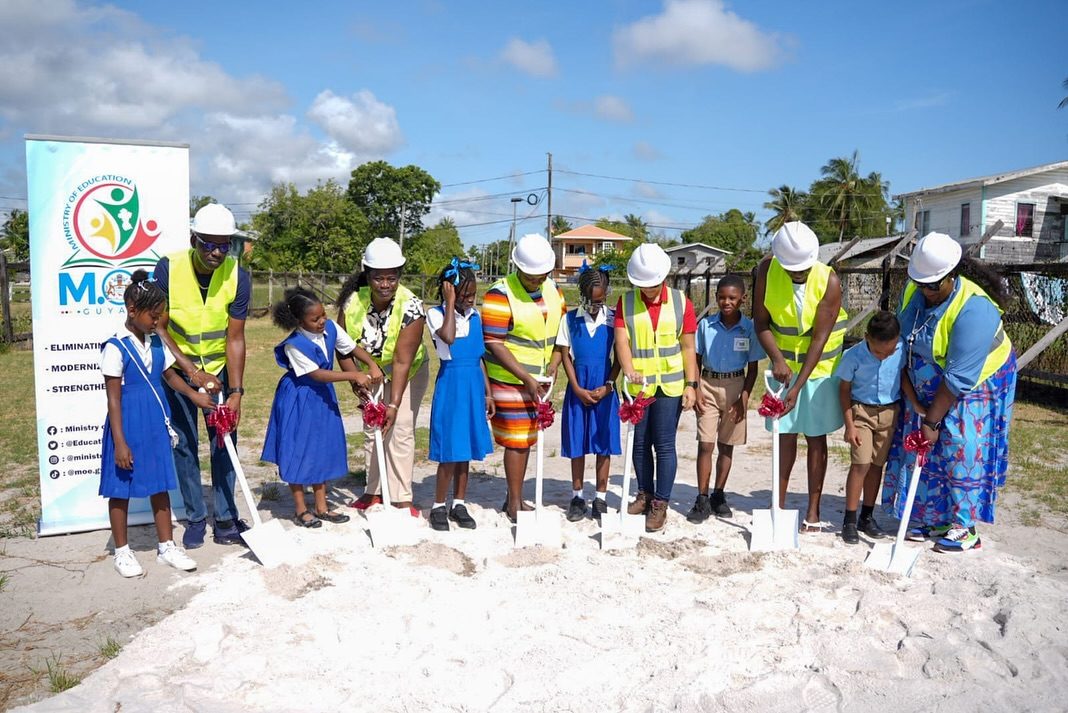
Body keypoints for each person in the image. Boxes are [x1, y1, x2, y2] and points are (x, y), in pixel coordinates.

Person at [883, 232, 1017, 553]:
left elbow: (958, 379)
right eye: (921, 284)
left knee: (961, 439)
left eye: (933, 285)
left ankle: (965, 527)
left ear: (952, 276)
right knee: (923, 442)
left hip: (978, 380)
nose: (926, 291)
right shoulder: (914, 292)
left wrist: (931, 422)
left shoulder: (975, 310)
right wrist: (916, 403)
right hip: (930, 376)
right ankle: (935, 516)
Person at [154, 203, 251, 549]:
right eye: (208, 243)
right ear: (194, 238)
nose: (216, 252)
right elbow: (159, 328)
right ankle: (196, 518)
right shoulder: (168, 268)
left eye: (224, 244)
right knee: (184, 445)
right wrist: (193, 371)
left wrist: (236, 390)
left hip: (220, 373)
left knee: (224, 443)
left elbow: (236, 337)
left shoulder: (238, 274)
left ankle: (225, 518)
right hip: (179, 371)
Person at [100, 271, 201, 577]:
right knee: (121, 487)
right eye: (153, 316)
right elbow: (113, 399)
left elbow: (169, 376)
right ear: (132, 310)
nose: (158, 322)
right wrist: (119, 442)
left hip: (156, 421)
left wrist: (193, 395)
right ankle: (122, 551)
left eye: (160, 315)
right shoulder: (115, 347)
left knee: (160, 484)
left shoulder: (156, 343)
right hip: (127, 422)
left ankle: (166, 546)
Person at [753, 221, 848, 533]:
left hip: (818, 371)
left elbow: (819, 340)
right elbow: (761, 322)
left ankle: (813, 512)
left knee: (816, 437)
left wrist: (799, 386)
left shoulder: (829, 281)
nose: (798, 274)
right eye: (792, 270)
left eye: (802, 270)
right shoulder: (766, 272)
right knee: (784, 435)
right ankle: (777, 507)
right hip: (782, 368)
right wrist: (777, 360)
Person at [261, 287, 382, 528]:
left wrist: (370, 364)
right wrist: (353, 376)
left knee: (321, 448)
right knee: (298, 450)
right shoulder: (293, 344)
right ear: (299, 321)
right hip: (299, 398)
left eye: (323, 315)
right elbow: (315, 374)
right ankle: (300, 508)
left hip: (322, 398)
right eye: (314, 319)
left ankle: (322, 506)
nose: (322, 322)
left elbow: (350, 348)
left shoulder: (331, 329)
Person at [337, 237, 428, 516]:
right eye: (378, 278)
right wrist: (356, 381)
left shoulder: (412, 306)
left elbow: (402, 360)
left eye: (392, 278)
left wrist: (393, 403)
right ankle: (373, 491)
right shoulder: (352, 302)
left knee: (399, 429)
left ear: (400, 275)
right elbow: (341, 346)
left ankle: (401, 497)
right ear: (367, 274)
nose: (385, 284)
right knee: (372, 428)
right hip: (368, 373)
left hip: (408, 371)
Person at [614, 244, 699, 533]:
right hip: (639, 386)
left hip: (670, 385)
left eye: (652, 284)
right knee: (639, 443)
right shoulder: (625, 303)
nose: (647, 289)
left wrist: (691, 384)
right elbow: (622, 341)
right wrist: (628, 369)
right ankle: (644, 493)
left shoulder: (681, 302)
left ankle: (660, 503)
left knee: (663, 444)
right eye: (642, 284)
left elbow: (688, 346)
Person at [482, 234, 566, 523]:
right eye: (530, 276)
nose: (535, 280)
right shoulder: (500, 293)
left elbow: (561, 334)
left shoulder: (554, 290)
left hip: (540, 379)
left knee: (527, 438)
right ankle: (515, 502)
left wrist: (554, 364)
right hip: (509, 378)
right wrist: (526, 377)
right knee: (517, 439)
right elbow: (494, 342)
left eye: (540, 275)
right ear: (518, 268)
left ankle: (513, 496)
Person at [835, 311, 918, 544]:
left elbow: (902, 376)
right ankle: (849, 520)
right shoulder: (853, 356)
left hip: (889, 413)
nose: (884, 356)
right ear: (866, 338)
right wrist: (849, 425)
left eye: (889, 351)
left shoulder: (900, 349)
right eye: (879, 351)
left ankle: (867, 516)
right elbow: (843, 390)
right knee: (860, 463)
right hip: (861, 412)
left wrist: (917, 403)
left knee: (876, 466)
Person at [688, 274, 765, 523]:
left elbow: (752, 369)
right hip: (708, 384)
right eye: (722, 297)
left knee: (726, 444)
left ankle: (718, 494)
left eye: (732, 298)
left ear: (742, 299)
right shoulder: (705, 326)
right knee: (705, 443)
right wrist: (696, 387)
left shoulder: (750, 328)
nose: (726, 302)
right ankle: (701, 497)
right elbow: (695, 360)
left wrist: (743, 399)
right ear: (716, 298)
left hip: (735, 386)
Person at [426, 258, 494, 531]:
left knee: (465, 449)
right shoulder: (436, 314)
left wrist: (488, 394)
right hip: (452, 386)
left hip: (473, 386)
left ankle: (459, 502)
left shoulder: (476, 317)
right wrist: (450, 304)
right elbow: (449, 338)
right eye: (463, 294)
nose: (470, 300)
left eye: (472, 294)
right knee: (450, 450)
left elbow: (480, 359)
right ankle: (438, 505)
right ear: (449, 291)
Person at [549, 261, 620, 522]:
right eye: (590, 301)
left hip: (605, 387)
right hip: (578, 388)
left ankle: (600, 498)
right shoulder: (569, 320)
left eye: (599, 301)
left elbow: (620, 357)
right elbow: (565, 353)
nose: (594, 306)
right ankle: (577, 496)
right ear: (582, 294)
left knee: (604, 443)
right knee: (577, 441)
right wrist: (576, 387)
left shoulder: (614, 320)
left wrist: (609, 385)